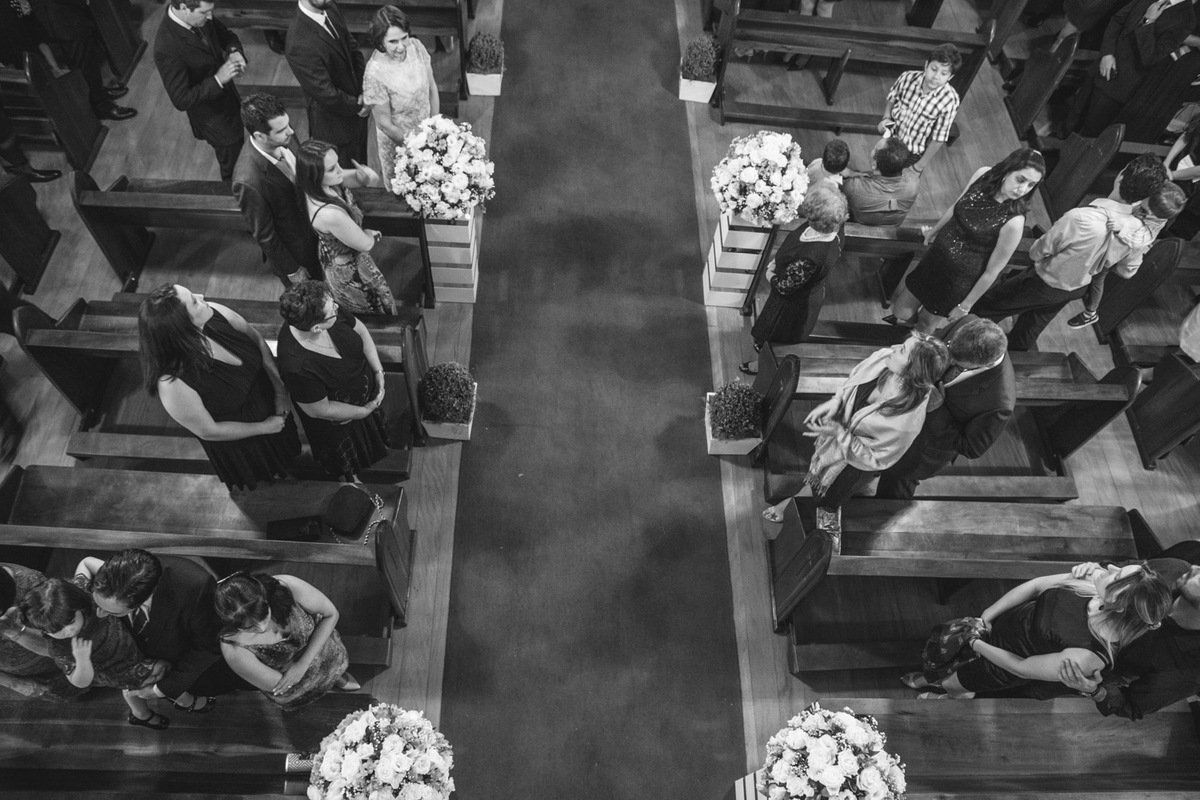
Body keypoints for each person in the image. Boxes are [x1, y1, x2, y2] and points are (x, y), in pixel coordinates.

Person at [761, 334, 950, 546]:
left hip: (853, 464)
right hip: (837, 440)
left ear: (913, 371)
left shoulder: (907, 421)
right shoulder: (884, 358)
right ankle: (798, 499)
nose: (894, 346)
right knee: (816, 475)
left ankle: (812, 513)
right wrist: (836, 402)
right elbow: (854, 379)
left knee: (830, 495)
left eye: (902, 350)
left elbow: (877, 459)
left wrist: (840, 434)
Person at [971, 154, 1169, 349]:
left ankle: (964, 342)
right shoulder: (1140, 232)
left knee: (990, 305)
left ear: (1121, 176)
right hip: (1077, 287)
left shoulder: (1081, 218)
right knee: (1032, 325)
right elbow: (1127, 271)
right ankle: (1014, 354)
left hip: (1044, 281)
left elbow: (1039, 251)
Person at [904, 561, 1176, 699]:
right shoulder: (1092, 586)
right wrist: (989, 615)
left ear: (1119, 604)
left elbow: (1022, 667)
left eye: (1117, 576)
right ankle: (932, 677)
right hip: (999, 626)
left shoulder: (1088, 656)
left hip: (1000, 664)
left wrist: (976, 644)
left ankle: (946, 691)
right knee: (945, 655)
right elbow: (1036, 586)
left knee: (955, 681)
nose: (1111, 567)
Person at [138, 284, 301, 491]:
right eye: (194, 301)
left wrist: (279, 391)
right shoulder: (173, 384)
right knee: (268, 479)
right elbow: (209, 431)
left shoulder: (214, 312)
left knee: (289, 453)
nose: (201, 296)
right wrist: (264, 427)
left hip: (269, 401)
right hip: (243, 440)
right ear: (182, 326)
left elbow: (257, 340)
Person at [889, 148, 1045, 334]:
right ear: (1008, 170)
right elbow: (956, 205)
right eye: (1021, 179)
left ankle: (914, 349)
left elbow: (992, 271)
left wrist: (965, 305)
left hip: (957, 280)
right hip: (934, 260)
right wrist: (934, 231)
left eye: (1030, 185)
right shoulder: (983, 175)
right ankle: (911, 331)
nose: (1023, 189)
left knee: (926, 323)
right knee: (901, 311)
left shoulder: (1014, 222)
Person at [77, 549, 250, 712]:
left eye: (113, 612)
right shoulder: (114, 577)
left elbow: (209, 646)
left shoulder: (195, 587)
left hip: (180, 658)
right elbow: (85, 563)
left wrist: (161, 690)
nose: (99, 613)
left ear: (141, 600)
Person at [875, 316, 1014, 500]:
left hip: (920, 447)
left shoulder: (999, 402)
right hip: (896, 412)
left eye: (959, 365)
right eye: (949, 350)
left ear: (984, 364)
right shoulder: (967, 322)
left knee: (894, 485)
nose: (950, 361)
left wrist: (938, 410)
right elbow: (932, 346)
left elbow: (971, 448)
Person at [1055, 543, 1200, 718]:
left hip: (1064, 665)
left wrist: (1094, 691)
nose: (1194, 567)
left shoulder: (1188, 670)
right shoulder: (1176, 567)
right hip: (1059, 604)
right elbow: (1121, 568)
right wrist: (1097, 569)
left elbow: (1131, 706)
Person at [277, 280, 390, 480]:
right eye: (333, 310)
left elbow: (361, 330)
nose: (337, 308)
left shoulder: (329, 309)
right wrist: (363, 412)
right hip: (340, 424)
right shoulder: (297, 366)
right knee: (350, 461)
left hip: (365, 399)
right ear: (317, 328)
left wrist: (378, 371)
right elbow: (320, 409)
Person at [20, 578, 169, 729]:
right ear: (44, 631)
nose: (68, 631)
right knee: (144, 681)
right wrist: (82, 660)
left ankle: (140, 713)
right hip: (116, 669)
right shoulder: (59, 647)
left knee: (143, 681)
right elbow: (80, 682)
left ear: (76, 603)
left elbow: (86, 563)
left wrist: (108, 603)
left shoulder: (86, 600)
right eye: (56, 631)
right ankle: (141, 714)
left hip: (128, 644)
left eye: (71, 621)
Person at [740, 184, 849, 375]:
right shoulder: (832, 224)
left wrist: (770, 273)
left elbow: (784, 287)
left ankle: (763, 365)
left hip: (792, 305)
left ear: (816, 219)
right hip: (797, 290)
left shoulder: (812, 257)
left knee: (775, 337)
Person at [214, 572, 356, 711]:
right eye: (249, 627)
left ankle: (336, 675)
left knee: (333, 666)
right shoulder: (232, 647)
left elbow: (331, 614)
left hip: (324, 650)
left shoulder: (287, 586)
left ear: (265, 598)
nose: (262, 627)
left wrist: (302, 664)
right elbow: (277, 685)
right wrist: (303, 674)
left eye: (264, 615)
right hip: (295, 685)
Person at [296, 139, 398, 316]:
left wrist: (362, 176)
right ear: (314, 174)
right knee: (374, 308)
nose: (340, 170)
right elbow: (365, 244)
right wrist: (368, 233)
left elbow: (347, 179)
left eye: (337, 163)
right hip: (350, 268)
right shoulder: (330, 214)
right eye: (331, 168)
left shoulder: (317, 185)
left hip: (336, 248)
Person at [1066, 181, 1185, 328]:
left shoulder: (1152, 226)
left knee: (1098, 279)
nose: (1144, 199)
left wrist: (1121, 229)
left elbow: (1138, 240)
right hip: (1113, 250)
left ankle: (1090, 313)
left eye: (1146, 200)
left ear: (1153, 212)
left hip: (1118, 255)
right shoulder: (1152, 209)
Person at [232, 93, 322, 287]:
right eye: (282, 130)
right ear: (259, 136)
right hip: (300, 253)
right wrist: (292, 269)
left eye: (288, 124)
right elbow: (265, 235)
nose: (291, 131)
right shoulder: (248, 181)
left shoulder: (283, 134)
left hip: (318, 230)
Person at [1072, 0, 1196, 137]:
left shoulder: (1187, 19)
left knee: (1088, 134)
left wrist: (1149, 21)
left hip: (1119, 83)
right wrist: (1107, 53)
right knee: (1071, 119)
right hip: (1101, 65)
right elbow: (1117, 20)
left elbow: (1151, 57)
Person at [154, 0, 247, 182]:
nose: (210, 17)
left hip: (229, 100)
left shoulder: (201, 17)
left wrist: (235, 51)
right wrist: (218, 80)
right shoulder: (167, 47)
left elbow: (225, 35)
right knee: (233, 165)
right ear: (183, 8)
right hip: (214, 118)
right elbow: (181, 99)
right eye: (205, 13)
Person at [286, 0, 369, 168]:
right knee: (344, 179)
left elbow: (353, 50)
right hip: (335, 128)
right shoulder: (297, 42)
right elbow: (326, 94)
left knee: (362, 170)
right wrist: (359, 105)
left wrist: (363, 90)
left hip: (357, 111)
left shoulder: (329, 7)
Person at [363, 5, 439, 183]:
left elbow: (432, 88)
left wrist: (435, 127)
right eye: (393, 42)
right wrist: (416, 148)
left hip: (427, 130)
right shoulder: (375, 74)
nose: (401, 47)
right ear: (380, 41)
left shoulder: (417, 47)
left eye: (404, 38)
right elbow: (385, 125)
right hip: (400, 142)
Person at [31, 0, 137, 121]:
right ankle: (102, 106)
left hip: (65, 13)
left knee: (88, 60)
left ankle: (99, 93)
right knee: (85, 64)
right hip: (61, 16)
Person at [0, 564, 82, 700]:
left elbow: (64, 646)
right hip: (19, 680)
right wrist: (12, 683)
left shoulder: (34, 589)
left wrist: (13, 630)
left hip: (58, 667)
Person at [878, 44, 963, 172]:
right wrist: (886, 117)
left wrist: (918, 167)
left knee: (898, 183)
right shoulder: (907, 77)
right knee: (878, 169)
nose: (936, 76)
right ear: (926, 65)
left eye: (944, 73)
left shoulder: (950, 100)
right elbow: (892, 96)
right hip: (891, 138)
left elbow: (939, 138)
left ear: (950, 77)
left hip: (912, 152)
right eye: (933, 69)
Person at [842, 137, 920, 227]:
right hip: (892, 227)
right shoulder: (914, 184)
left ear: (875, 165)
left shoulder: (854, 186)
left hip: (858, 223)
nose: (872, 151)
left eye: (875, 150)